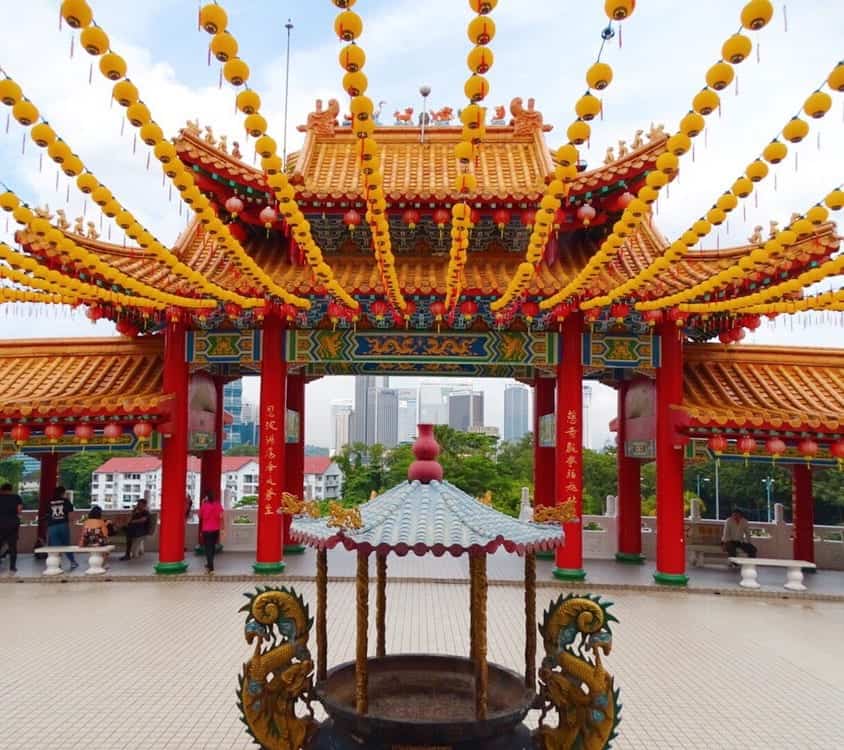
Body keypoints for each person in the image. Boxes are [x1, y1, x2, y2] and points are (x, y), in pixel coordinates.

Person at [47, 486, 78, 570]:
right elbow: (71, 513)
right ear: (62, 493)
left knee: (55, 546)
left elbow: (46, 514)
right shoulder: (65, 501)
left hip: (52, 525)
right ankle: (72, 562)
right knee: (66, 544)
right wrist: (71, 521)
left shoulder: (49, 501)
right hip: (63, 524)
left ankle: (57, 563)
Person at [198, 489, 224, 573]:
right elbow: (221, 516)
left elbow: (200, 516)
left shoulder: (204, 505)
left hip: (206, 530)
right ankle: (209, 564)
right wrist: (222, 528)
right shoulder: (218, 505)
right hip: (215, 529)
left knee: (208, 548)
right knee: (212, 547)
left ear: (206, 498)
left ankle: (210, 566)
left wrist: (202, 504)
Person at [0, 482, 23, 573]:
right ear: (11, 489)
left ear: (2, 489)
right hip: (12, 524)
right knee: (13, 546)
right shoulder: (16, 497)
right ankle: (12, 567)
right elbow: (19, 510)